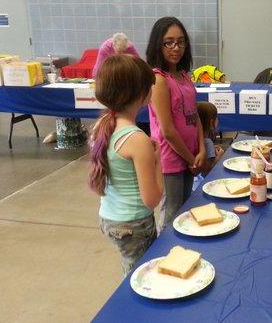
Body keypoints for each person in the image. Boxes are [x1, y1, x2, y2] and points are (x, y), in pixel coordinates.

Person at [88, 54, 163, 276]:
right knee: (140, 275)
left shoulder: (102, 124)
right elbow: (152, 199)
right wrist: (157, 160)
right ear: (140, 93)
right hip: (134, 224)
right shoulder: (137, 139)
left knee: (131, 265)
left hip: (110, 218)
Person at [146, 17, 206, 229]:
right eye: (168, 42)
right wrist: (192, 159)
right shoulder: (159, 79)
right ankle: (166, 257)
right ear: (158, 45)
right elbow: (168, 131)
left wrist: (201, 149)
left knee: (185, 208)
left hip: (190, 155)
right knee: (172, 211)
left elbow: (194, 114)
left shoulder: (183, 75)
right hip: (171, 158)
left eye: (181, 42)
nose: (176, 48)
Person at [191, 102, 225, 191]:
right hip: (204, 184)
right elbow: (208, 170)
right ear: (211, 122)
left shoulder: (194, 139)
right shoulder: (207, 142)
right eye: (216, 117)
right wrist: (220, 156)